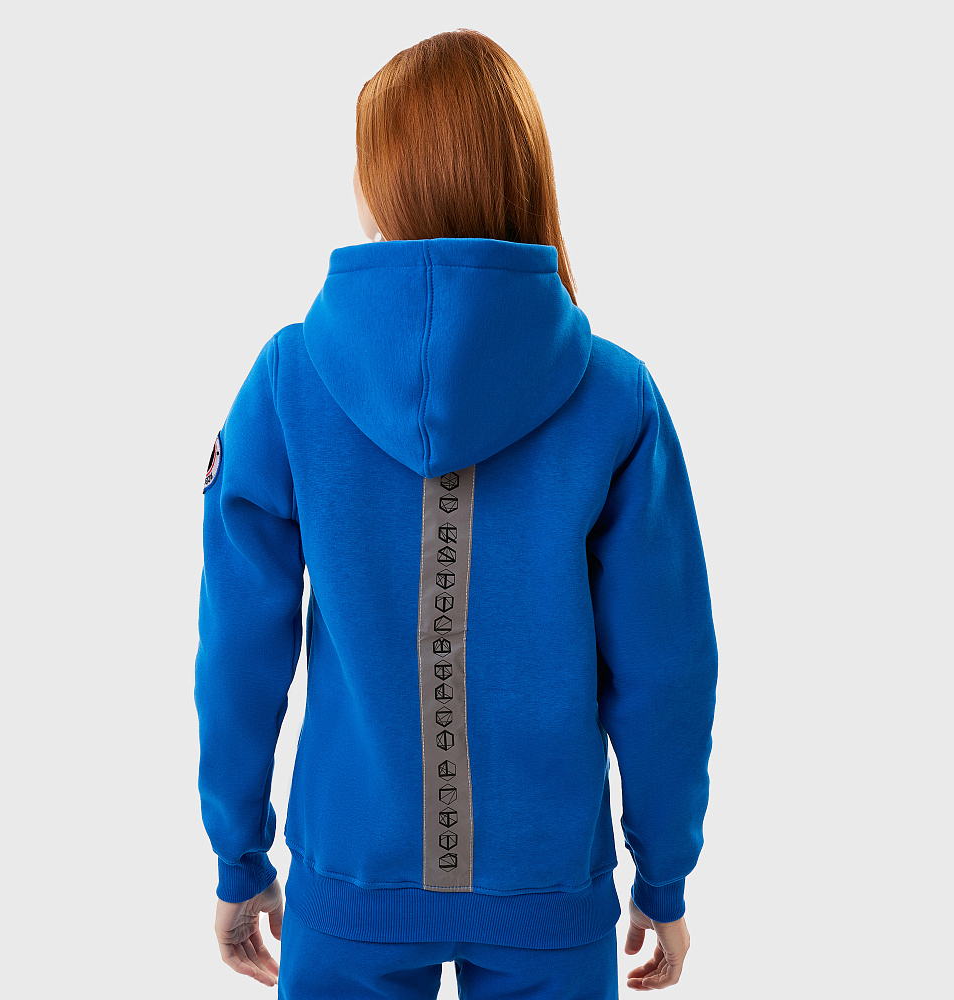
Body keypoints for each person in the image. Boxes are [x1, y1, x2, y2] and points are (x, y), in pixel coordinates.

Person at [195, 28, 718, 998]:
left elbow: (238, 647)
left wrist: (239, 855)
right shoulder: (615, 396)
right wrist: (664, 874)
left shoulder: (288, 381)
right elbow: (666, 669)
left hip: (349, 873)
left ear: (383, 181)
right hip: (548, 884)